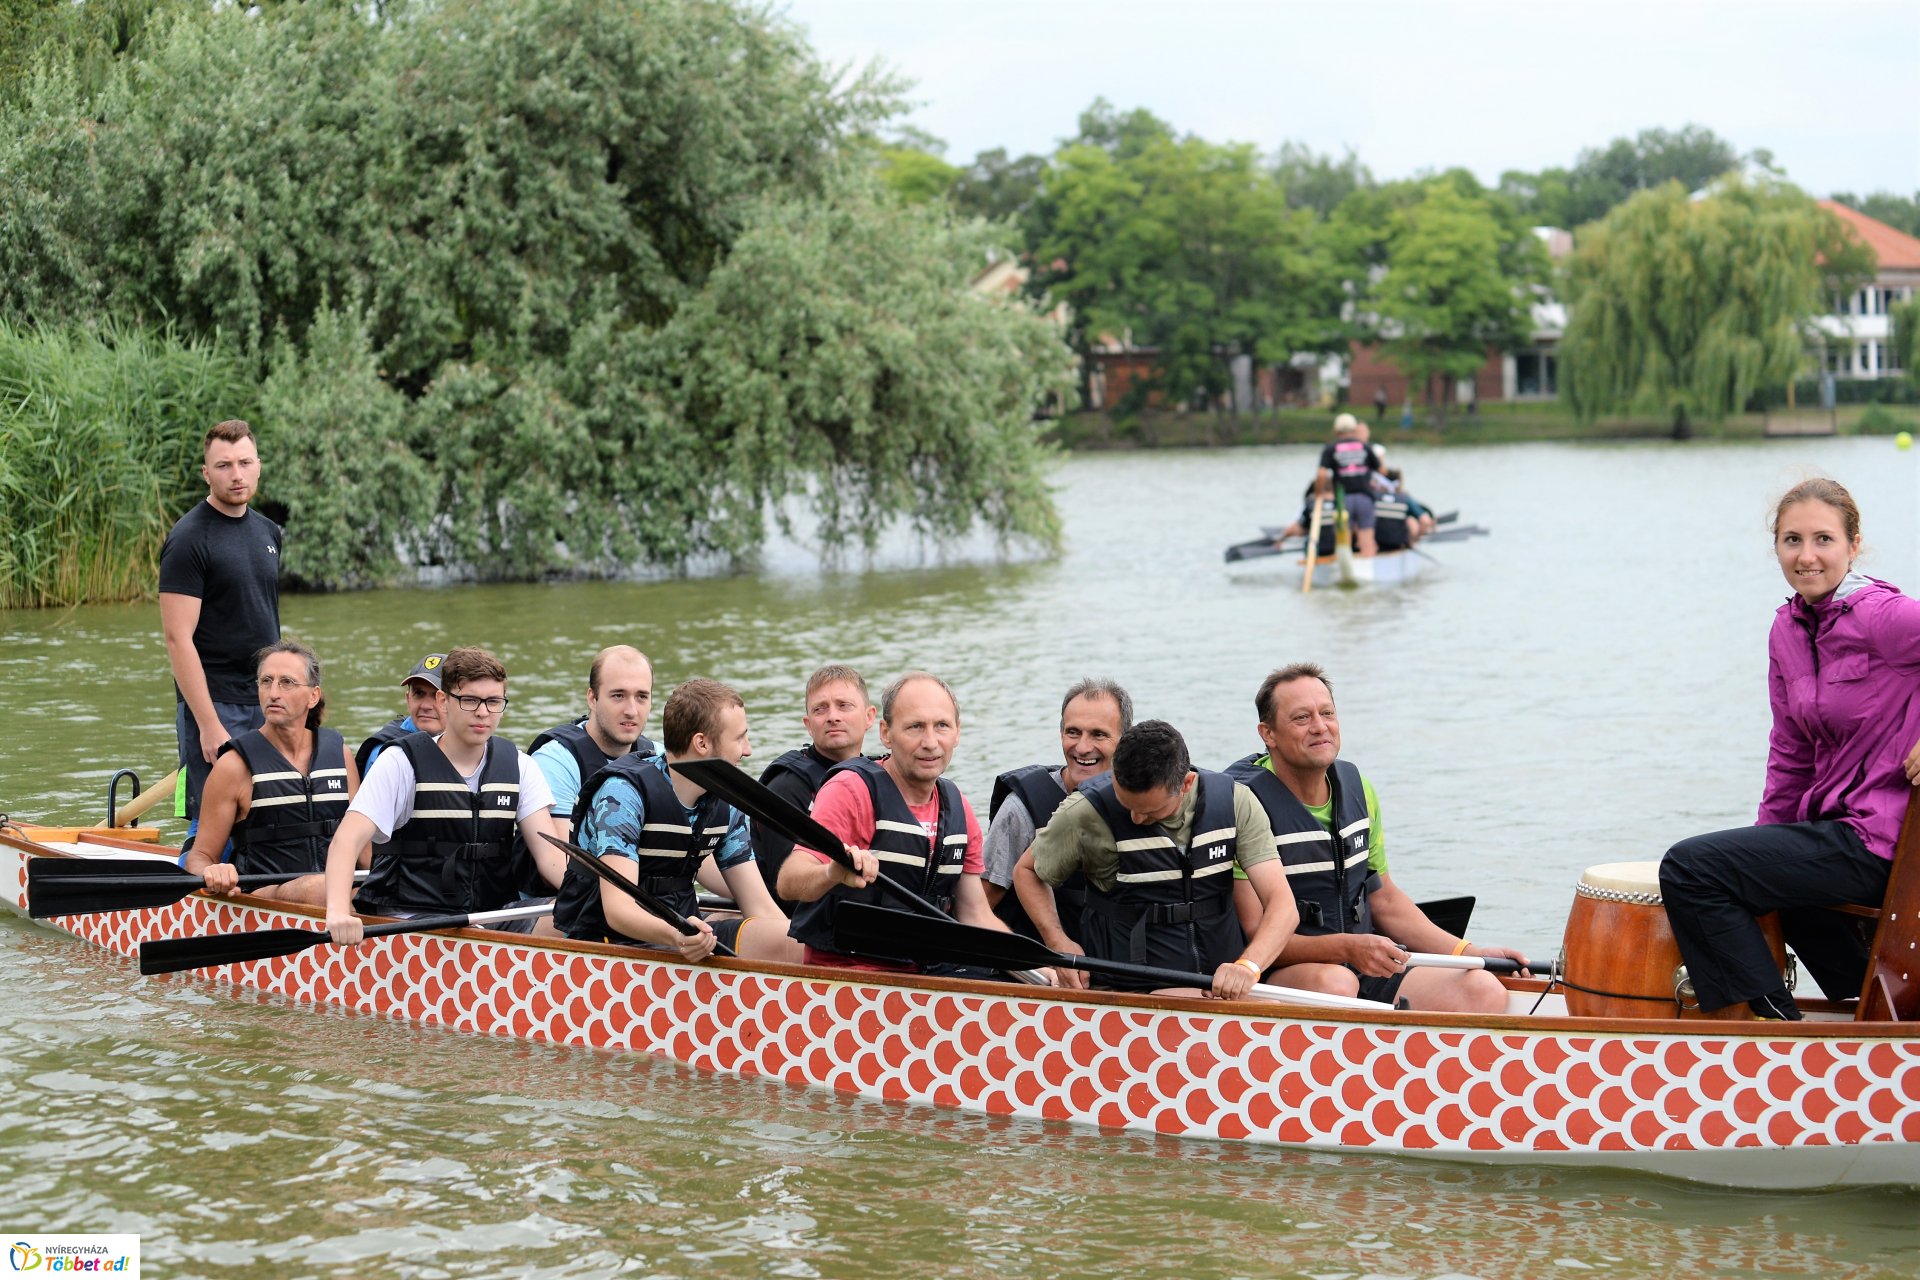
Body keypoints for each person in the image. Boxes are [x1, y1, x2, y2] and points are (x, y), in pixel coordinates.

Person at [1661, 478, 1920, 1020]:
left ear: (1854, 544)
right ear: (1776, 547)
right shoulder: (1787, 629)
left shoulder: (1888, 618)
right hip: (1831, 833)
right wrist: (1763, 852)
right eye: (1792, 540)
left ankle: (1773, 1027)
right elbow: (1791, 754)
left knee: (1689, 868)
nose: (1807, 556)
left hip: (1881, 840)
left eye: (1823, 539)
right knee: (1734, 876)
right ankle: (1866, 1010)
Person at [1225, 664, 1527, 1013]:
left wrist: (1468, 953)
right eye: (1301, 718)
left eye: (1327, 714)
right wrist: (1349, 949)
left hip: (1364, 958)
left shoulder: (1358, 788)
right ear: (1268, 734)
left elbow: (1385, 901)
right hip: (1286, 970)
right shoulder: (1243, 804)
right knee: (1337, 984)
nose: (1320, 727)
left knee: (1482, 989)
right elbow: (1255, 932)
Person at [1013, 720, 1297, 999]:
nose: (1136, 818)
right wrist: (1058, 941)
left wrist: (1248, 966)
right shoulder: (1085, 812)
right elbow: (1027, 872)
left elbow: (1282, 905)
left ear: (1186, 784)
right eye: (1127, 805)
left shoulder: (1237, 802)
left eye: (1150, 811)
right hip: (1129, 991)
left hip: (1220, 985)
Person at [323, 646, 563, 944]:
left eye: (493, 702)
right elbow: (347, 840)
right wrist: (337, 910)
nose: (483, 712)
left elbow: (551, 857)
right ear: (444, 700)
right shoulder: (401, 762)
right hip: (408, 916)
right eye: (470, 700)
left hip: (491, 914)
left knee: (572, 915)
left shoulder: (520, 765)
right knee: (470, 936)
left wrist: (593, 896)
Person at [553, 678, 802, 963]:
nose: (748, 750)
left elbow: (760, 907)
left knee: (792, 941)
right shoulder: (623, 795)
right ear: (702, 743)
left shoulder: (728, 805)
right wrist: (676, 936)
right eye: (739, 738)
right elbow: (618, 910)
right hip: (607, 945)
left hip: (683, 932)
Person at [778, 672, 1012, 972]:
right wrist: (832, 872)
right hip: (849, 977)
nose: (930, 742)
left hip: (926, 972)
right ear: (886, 733)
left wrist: (1042, 970)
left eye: (941, 726)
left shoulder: (957, 806)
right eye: (915, 727)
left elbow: (975, 915)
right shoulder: (851, 791)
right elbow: (788, 882)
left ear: (957, 732)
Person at [158, 419, 282, 824]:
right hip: (215, 702)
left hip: (267, 697)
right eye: (224, 465)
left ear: (258, 465)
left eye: (244, 462)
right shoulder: (189, 539)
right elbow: (178, 640)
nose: (236, 474)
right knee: (213, 821)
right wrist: (208, 725)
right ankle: (191, 879)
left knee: (269, 813)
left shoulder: (268, 532)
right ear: (206, 473)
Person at [182, 640, 357, 906]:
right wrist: (212, 870)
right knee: (318, 888)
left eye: (287, 682)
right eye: (266, 681)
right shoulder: (233, 766)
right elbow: (199, 856)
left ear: (313, 696)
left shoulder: (340, 754)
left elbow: (365, 847)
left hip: (336, 890)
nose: (274, 692)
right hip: (267, 897)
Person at [981, 678, 1132, 942]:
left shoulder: (1145, 804)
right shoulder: (1021, 809)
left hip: (1115, 966)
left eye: (1098, 734)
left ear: (1125, 740)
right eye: (1073, 732)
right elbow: (980, 908)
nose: (1083, 748)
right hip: (1039, 969)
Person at [750, 665, 876, 904]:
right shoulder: (786, 787)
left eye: (844, 706)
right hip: (800, 922)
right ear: (808, 725)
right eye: (820, 709)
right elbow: (785, 890)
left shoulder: (879, 776)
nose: (832, 717)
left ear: (869, 717)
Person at [529, 645, 657, 842]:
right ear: (592, 698)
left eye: (641, 697)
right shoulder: (555, 762)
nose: (631, 710)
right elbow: (562, 863)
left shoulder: (658, 757)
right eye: (618, 696)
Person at [352, 654, 447, 777]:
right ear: (408, 699)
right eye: (419, 693)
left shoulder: (472, 746)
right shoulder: (386, 753)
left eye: (436, 696)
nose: (426, 706)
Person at [1316, 413, 1382, 557]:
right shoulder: (1365, 446)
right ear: (1353, 429)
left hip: (1342, 499)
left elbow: (1321, 475)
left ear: (1336, 430)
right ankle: (1367, 560)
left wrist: (1319, 494)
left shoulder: (1331, 448)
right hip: (1365, 497)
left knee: (1343, 540)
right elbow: (1380, 469)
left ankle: (1345, 562)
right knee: (1366, 539)